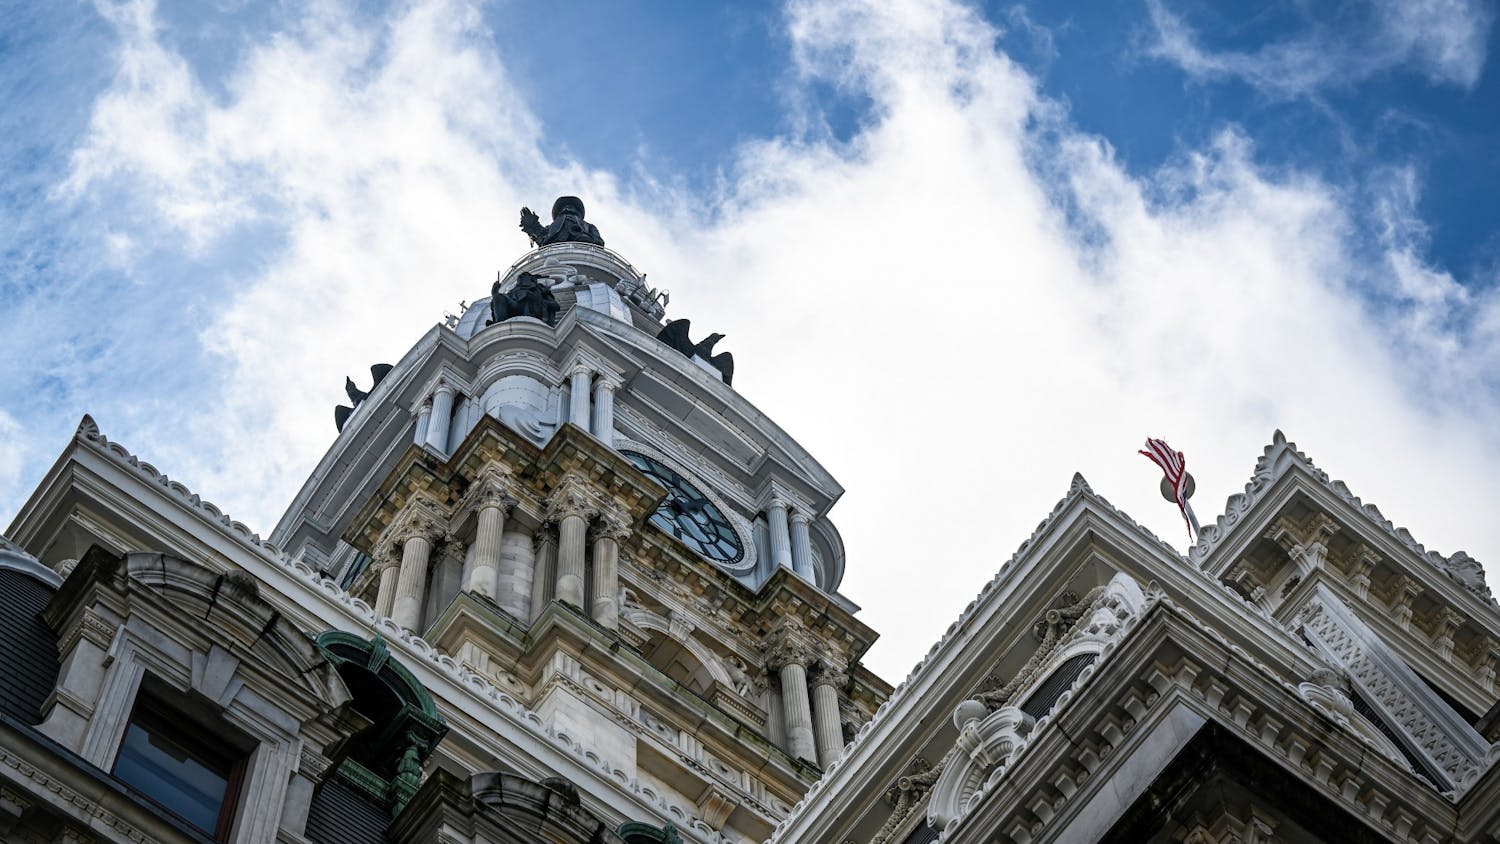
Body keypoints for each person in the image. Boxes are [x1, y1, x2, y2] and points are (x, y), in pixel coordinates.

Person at [519, 195, 605, 247]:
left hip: (582, 245)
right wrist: (533, 225)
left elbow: (599, 241)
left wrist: (590, 241)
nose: (567, 208)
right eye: (564, 207)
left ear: (576, 211)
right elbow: (542, 237)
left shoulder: (588, 226)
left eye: (570, 207)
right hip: (556, 246)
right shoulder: (552, 227)